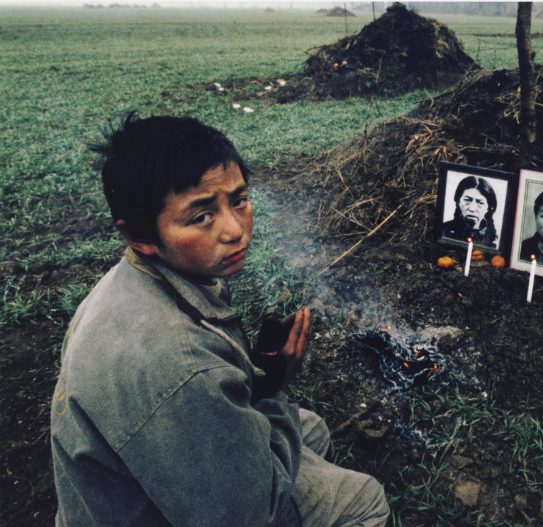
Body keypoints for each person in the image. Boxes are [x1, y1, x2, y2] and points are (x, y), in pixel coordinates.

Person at [50, 114, 390, 526]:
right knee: (364, 500)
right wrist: (271, 391)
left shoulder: (137, 277)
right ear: (140, 235)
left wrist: (257, 380)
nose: (235, 230)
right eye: (201, 217)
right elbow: (244, 517)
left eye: (239, 201)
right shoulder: (182, 366)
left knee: (311, 429)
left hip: (134, 482)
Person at [441, 175, 498, 248]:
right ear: (458, 201)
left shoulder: (493, 238)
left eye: (480, 202)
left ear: (489, 207)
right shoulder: (443, 230)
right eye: (467, 200)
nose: (472, 209)